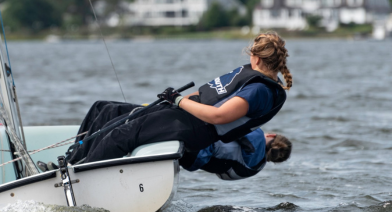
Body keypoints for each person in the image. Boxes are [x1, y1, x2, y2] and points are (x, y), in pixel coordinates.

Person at [67, 31, 292, 165]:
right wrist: (176, 100)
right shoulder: (252, 77)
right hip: (186, 114)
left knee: (121, 133)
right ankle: (72, 162)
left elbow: (218, 115)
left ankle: (83, 174)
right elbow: (206, 93)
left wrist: (178, 101)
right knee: (105, 109)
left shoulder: (260, 90)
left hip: (198, 128)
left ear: (257, 58)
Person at [182, 128, 292, 180]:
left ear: (271, 135)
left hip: (195, 146)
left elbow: (228, 121)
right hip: (191, 163)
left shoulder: (257, 136)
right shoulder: (255, 168)